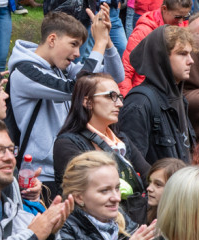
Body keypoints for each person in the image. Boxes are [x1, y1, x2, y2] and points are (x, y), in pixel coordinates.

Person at [7, 11, 123, 194]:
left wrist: (106, 41)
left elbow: (114, 78)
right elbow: (72, 89)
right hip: (43, 175)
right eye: (73, 44)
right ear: (52, 39)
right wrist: (97, 44)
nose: (77, 54)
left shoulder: (63, 69)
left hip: (72, 165)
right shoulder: (24, 71)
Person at [55, 151, 156, 240]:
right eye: (104, 191)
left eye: (117, 188)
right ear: (79, 197)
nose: (116, 198)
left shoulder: (123, 221)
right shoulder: (64, 229)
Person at [53, 73, 149, 216]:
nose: (120, 104)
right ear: (87, 102)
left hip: (132, 221)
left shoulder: (122, 139)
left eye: (120, 97)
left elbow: (150, 177)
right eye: (111, 96)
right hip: (92, 230)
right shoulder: (67, 144)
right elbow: (86, 196)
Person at [118, 25, 197, 163]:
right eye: (182, 54)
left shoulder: (179, 98)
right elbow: (133, 164)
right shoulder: (139, 103)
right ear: (162, 58)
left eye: (190, 53)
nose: (191, 60)